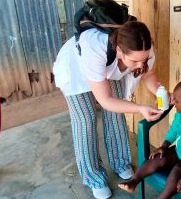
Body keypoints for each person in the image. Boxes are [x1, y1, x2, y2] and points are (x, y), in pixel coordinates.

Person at [53, 21, 164, 199]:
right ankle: (94, 178)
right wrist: (139, 108)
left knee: (116, 114)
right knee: (86, 121)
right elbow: (106, 100)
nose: (139, 65)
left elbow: (148, 74)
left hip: (109, 67)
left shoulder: (144, 49)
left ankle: (120, 163)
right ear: (119, 50)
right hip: (76, 69)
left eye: (143, 59)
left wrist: (162, 92)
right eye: (134, 61)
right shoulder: (94, 48)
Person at [118, 78, 181, 199]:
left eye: (176, 101)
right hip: (180, 152)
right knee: (158, 156)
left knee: (177, 171)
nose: (174, 103)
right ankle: (134, 181)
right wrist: (164, 146)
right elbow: (174, 131)